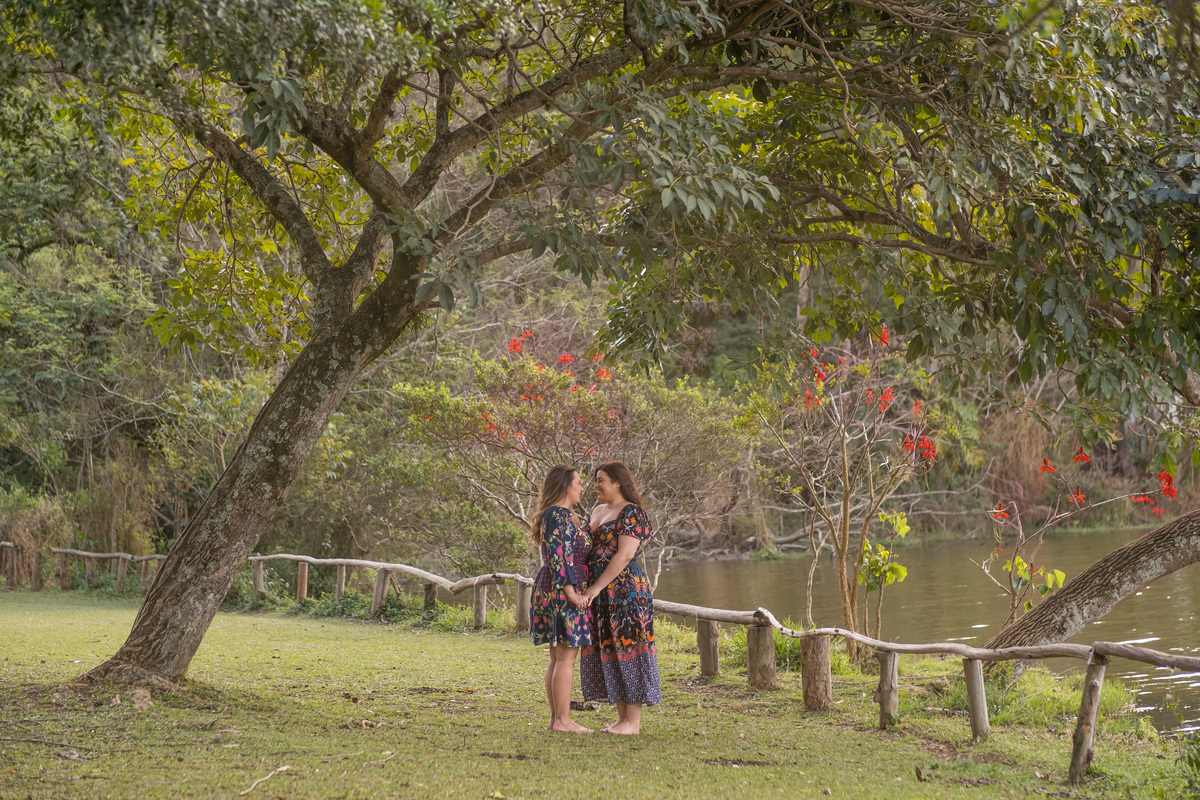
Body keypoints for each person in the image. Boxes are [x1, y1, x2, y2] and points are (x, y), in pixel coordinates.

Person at [580, 461, 662, 734]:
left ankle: (633, 722)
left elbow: (625, 555)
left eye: (601, 480)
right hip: (600, 593)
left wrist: (596, 587)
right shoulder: (598, 510)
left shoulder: (632, 512)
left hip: (626, 591)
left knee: (629, 648)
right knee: (609, 649)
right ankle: (621, 718)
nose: (596, 485)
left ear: (617, 482)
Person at [529, 464, 593, 733]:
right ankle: (563, 721)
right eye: (578, 482)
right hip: (562, 588)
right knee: (565, 657)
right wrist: (570, 592)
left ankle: (557, 719)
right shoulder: (558, 515)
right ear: (565, 485)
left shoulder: (561, 515)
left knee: (558, 657)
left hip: (556, 586)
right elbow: (559, 556)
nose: (581, 486)